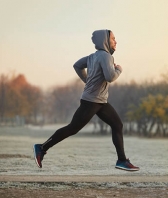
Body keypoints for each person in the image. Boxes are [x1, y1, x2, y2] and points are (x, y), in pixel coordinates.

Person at [33, 29, 139, 171]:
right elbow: (110, 77)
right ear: (105, 41)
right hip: (92, 101)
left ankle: (121, 160)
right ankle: (41, 148)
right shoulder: (106, 57)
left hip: (100, 102)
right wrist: (119, 69)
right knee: (72, 128)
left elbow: (77, 65)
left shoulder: (93, 56)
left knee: (117, 125)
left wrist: (86, 79)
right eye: (113, 38)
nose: (116, 41)